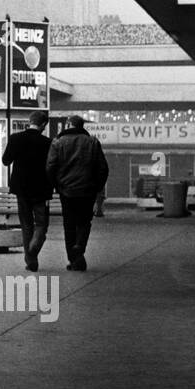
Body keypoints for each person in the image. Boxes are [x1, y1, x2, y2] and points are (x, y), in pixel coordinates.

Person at [46, 114, 109, 272]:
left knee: (69, 224)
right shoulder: (93, 142)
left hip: (66, 191)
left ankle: (74, 258)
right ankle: (79, 247)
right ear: (82, 126)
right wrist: (96, 187)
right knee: (84, 222)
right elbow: (103, 169)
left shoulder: (58, 143)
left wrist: (57, 186)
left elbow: (50, 167)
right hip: (87, 190)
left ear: (68, 125)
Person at [2, 111, 53, 271]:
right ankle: (32, 251)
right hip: (41, 189)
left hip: (21, 188)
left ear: (29, 121)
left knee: (26, 224)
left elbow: (5, 161)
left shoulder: (16, 138)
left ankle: (31, 260)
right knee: (42, 225)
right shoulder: (48, 142)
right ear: (44, 124)